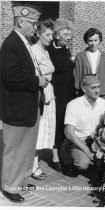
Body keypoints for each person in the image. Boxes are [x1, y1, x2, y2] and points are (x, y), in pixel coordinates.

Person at [0, 4, 49, 203]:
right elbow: (10, 76)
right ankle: (9, 185)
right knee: (15, 147)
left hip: (29, 106)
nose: (35, 28)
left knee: (27, 147)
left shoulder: (24, 42)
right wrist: (37, 81)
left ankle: (20, 181)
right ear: (21, 22)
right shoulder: (11, 44)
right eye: (32, 23)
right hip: (17, 107)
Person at [64, 74, 105, 175]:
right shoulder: (73, 105)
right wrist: (87, 151)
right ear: (84, 89)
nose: (97, 91)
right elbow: (69, 133)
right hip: (79, 141)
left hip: (98, 141)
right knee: (83, 164)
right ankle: (75, 161)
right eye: (93, 88)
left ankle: (96, 165)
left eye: (98, 87)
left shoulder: (104, 103)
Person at [47, 18, 75, 172]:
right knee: (57, 124)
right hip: (57, 94)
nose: (69, 37)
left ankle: (62, 152)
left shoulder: (65, 49)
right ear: (57, 35)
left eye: (70, 34)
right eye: (66, 34)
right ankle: (55, 157)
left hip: (68, 93)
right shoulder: (50, 50)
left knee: (66, 122)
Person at [31, 19, 55, 180]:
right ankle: (32, 167)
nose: (51, 37)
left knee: (43, 132)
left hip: (49, 93)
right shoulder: (33, 50)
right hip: (40, 93)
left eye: (52, 34)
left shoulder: (45, 50)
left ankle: (35, 164)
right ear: (38, 34)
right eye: (47, 34)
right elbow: (33, 75)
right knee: (37, 132)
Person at [73, 27, 105, 99]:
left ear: (100, 40)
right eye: (90, 41)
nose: (93, 43)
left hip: (101, 92)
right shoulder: (80, 56)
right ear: (86, 41)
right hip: (85, 92)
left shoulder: (104, 56)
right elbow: (76, 75)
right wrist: (77, 91)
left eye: (95, 40)